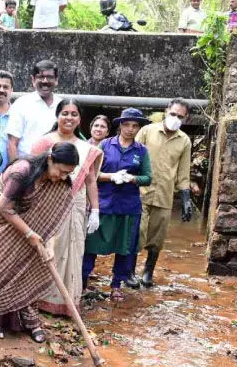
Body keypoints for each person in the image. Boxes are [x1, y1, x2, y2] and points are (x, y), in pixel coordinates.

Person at [0, 142, 79, 341]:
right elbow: (4, 207)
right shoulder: (22, 171)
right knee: (2, 265)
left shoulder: (60, 182)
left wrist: (49, 244)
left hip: (29, 226)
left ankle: (30, 318)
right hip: (1, 217)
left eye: (67, 173)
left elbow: (50, 220)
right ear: (50, 159)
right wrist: (30, 234)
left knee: (34, 266)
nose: (62, 177)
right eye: (61, 171)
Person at [31, 99, 102, 316]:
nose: (69, 118)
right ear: (57, 115)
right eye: (65, 113)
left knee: (74, 250)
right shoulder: (45, 142)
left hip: (77, 205)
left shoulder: (87, 148)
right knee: (50, 249)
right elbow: (34, 174)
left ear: (80, 119)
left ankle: (68, 302)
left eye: (74, 114)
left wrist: (96, 210)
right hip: (47, 203)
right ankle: (40, 299)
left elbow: (90, 180)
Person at [83, 108, 152, 300]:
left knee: (125, 247)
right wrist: (111, 177)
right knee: (91, 245)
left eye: (135, 125)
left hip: (128, 207)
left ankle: (116, 285)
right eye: (127, 124)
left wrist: (132, 178)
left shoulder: (141, 151)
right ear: (120, 125)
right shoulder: (105, 145)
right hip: (103, 203)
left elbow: (148, 178)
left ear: (139, 128)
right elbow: (91, 174)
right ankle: (82, 283)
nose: (130, 129)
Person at [136, 99, 193, 287]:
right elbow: (132, 158)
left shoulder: (184, 141)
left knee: (157, 238)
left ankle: (148, 272)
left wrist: (186, 200)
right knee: (137, 233)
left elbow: (183, 173)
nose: (175, 118)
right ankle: (127, 270)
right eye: (173, 114)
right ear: (166, 111)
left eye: (180, 116)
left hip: (165, 195)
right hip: (140, 193)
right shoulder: (147, 131)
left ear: (186, 118)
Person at [5, 59, 61, 163]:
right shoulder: (21, 104)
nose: (45, 81)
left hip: (55, 168)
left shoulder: (62, 106)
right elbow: (12, 144)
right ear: (33, 79)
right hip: (27, 167)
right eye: (40, 77)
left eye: (49, 77)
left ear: (56, 80)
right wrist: (15, 170)